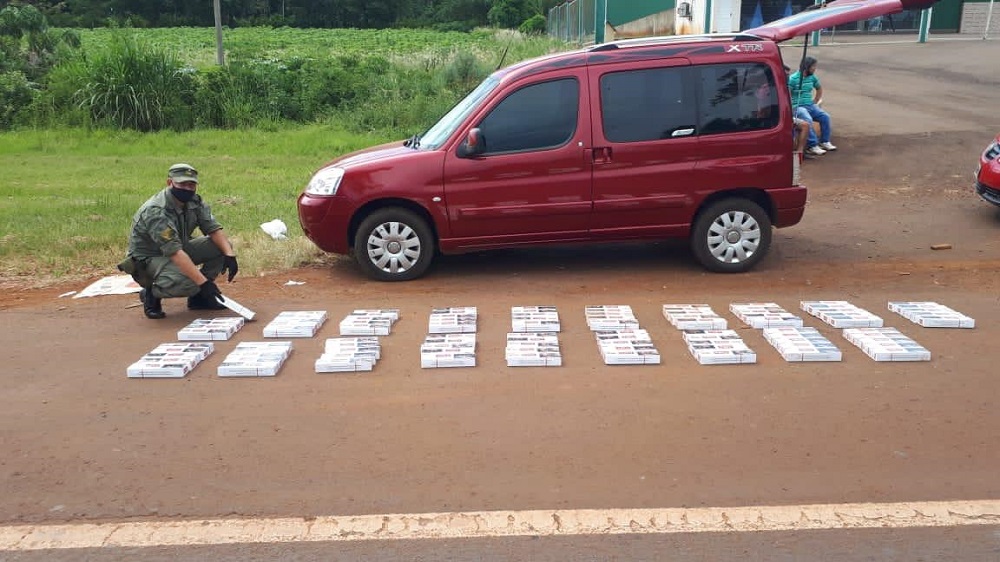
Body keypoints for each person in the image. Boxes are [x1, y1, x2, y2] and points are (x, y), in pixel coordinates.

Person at [119, 163, 239, 320]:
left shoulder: (194, 201)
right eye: (182, 184)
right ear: (170, 182)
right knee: (191, 284)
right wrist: (203, 284)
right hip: (150, 258)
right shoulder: (156, 211)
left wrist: (229, 255)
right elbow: (174, 252)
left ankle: (198, 299)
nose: (187, 189)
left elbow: (213, 228)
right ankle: (151, 293)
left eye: (191, 184)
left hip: (178, 247)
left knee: (223, 246)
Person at [788, 56, 836, 157]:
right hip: (797, 107)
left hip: (810, 104)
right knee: (808, 119)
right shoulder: (793, 79)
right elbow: (787, 93)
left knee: (825, 116)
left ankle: (825, 141)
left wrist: (816, 100)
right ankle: (812, 145)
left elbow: (819, 88)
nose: (815, 68)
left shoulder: (812, 77)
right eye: (813, 66)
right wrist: (791, 105)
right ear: (806, 66)